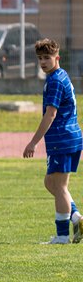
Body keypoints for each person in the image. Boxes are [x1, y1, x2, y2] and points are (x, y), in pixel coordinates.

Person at [22, 38, 83, 244]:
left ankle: (62, 236)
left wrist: (33, 142)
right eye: (40, 58)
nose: (43, 62)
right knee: (51, 183)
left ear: (57, 58)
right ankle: (77, 218)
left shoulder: (55, 81)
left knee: (60, 186)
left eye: (47, 58)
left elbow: (50, 114)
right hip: (68, 137)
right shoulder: (61, 74)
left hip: (62, 139)